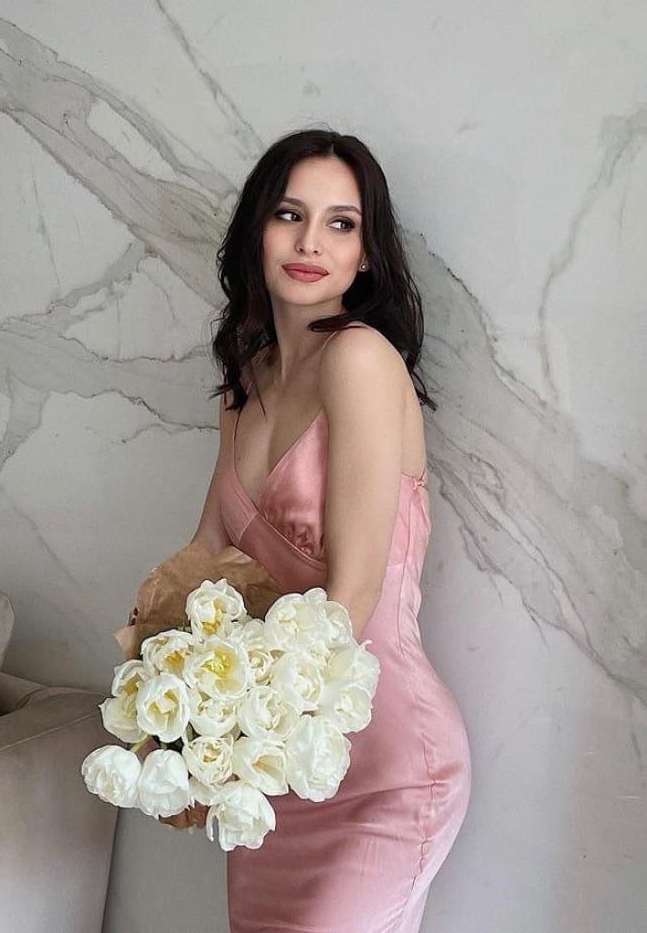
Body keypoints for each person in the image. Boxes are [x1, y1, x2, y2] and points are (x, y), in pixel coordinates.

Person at [160, 127, 471, 932]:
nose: (310, 242)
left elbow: (353, 593)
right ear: (256, 230)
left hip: (384, 770)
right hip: (279, 775)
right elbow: (202, 569)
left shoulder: (361, 359)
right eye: (289, 214)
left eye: (341, 223)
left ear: (367, 255)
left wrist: (240, 722)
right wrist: (164, 706)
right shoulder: (246, 381)